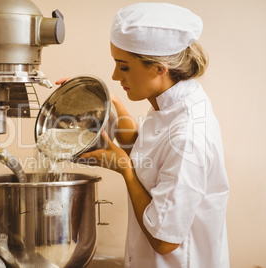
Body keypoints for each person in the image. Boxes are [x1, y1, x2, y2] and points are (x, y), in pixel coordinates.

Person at [58, 2, 230, 268]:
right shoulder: (171, 101)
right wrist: (109, 102)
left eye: (124, 67)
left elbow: (164, 240)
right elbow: (149, 152)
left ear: (159, 68)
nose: (115, 75)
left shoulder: (188, 137)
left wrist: (125, 170)